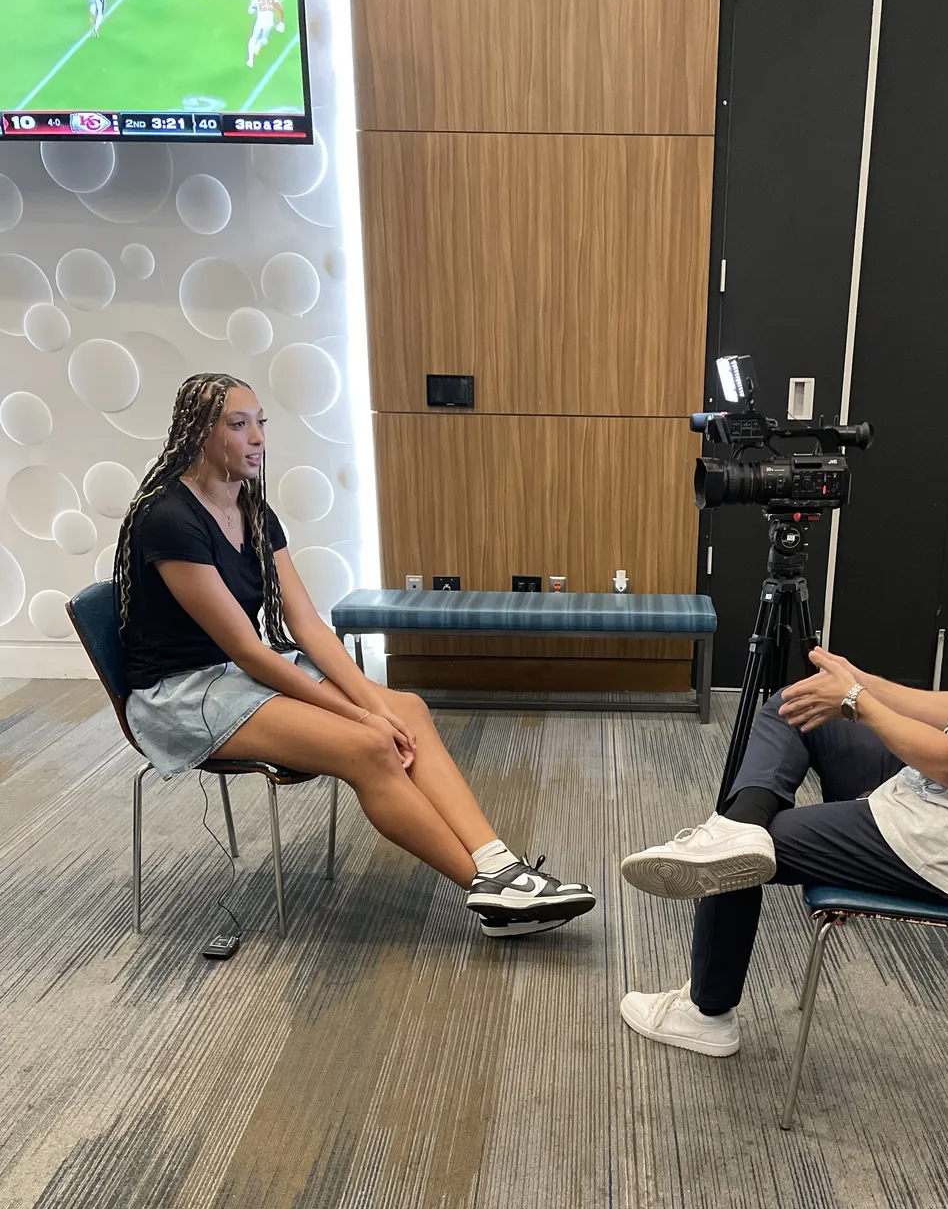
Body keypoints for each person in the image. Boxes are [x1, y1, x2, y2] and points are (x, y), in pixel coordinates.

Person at [618, 411, 948, 1056]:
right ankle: (739, 825)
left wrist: (859, 702)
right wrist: (861, 684)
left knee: (738, 860)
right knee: (794, 703)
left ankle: (707, 1012)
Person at [116, 372, 595, 938]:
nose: (257, 438)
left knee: (407, 708)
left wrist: (375, 701)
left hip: (236, 678)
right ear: (199, 433)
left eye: (260, 423)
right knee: (369, 744)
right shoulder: (168, 519)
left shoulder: (255, 512)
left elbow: (308, 626)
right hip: (181, 694)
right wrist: (361, 716)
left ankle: (498, 866)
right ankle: (491, 895)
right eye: (237, 425)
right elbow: (246, 649)